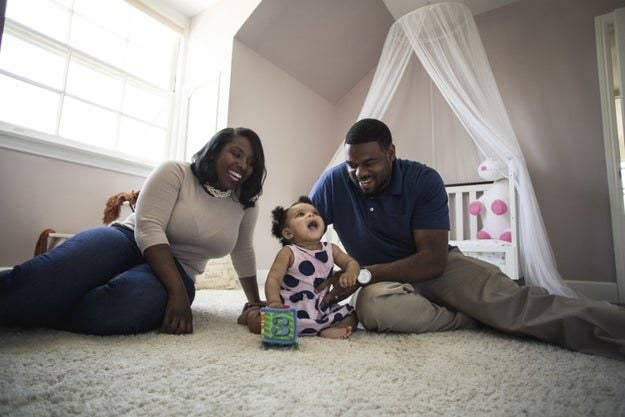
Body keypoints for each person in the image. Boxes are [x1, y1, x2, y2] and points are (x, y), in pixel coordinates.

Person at [309, 118, 625, 360]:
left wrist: (363, 274)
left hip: (437, 268)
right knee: (373, 309)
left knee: (518, 307)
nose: (359, 173)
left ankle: (613, 325)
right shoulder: (335, 182)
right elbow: (303, 234)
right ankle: (469, 317)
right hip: (384, 282)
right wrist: (305, 287)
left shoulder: (423, 180)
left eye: (369, 163)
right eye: (352, 165)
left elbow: (431, 261)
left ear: (391, 153)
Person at [0, 127, 266, 336]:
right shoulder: (176, 171)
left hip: (182, 269)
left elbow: (242, 251)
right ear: (216, 150)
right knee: (45, 278)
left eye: (251, 162)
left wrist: (255, 302)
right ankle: (39, 298)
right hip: (126, 240)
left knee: (120, 307)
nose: (243, 165)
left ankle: (46, 308)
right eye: (236, 153)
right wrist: (177, 293)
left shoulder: (245, 204)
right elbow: (148, 227)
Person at [245, 196, 359, 339]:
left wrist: (350, 272)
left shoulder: (331, 249)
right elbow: (273, 279)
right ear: (288, 233)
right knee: (260, 323)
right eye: (301, 214)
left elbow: (351, 263)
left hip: (321, 309)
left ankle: (326, 330)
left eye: (315, 213)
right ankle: (250, 313)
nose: (311, 215)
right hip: (289, 310)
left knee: (352, 315)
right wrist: (274, 302)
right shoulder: (289, 252)